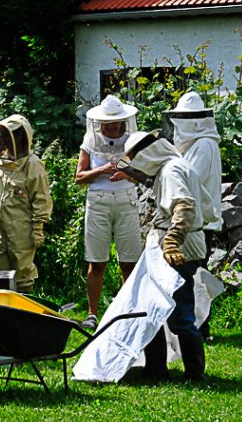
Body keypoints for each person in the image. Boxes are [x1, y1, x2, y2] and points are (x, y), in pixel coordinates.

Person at [113, 130, 214, 381]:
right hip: (182, 247)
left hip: (178, 250)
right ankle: (156, 369)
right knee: (152, 309)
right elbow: (204, 205)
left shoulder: (171, 171)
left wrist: (171, 241)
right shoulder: (177, 166)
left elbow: (185, 206)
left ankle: (194, 375)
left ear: (147, 153)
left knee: (180, 314)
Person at [75, 95, 142, 330]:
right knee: (97, 262)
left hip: (127, 201)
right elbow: (79, 177)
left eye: (116, 124)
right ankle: (92, 314)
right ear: (100, 123)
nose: (113, 128)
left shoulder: (133, 140)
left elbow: (144, 175)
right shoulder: (90, 139)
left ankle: (126, 313)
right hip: (98, 202)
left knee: (129, 262)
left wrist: (127, 174)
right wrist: (102, 169)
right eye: (108, 124)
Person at [165, 92, 222, 343]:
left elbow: (189, 181)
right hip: (194, 220)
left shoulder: (205, 145)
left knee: (195, 277)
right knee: (190, 277)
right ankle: (192, 326)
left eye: (187, 118)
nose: (182, 124)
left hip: (200, 223)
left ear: (198, 120)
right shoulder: (196, 145)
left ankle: (199, 328)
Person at [0, 114, 53, 293]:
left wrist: (38, 227)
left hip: (22, 227)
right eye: (3, 135)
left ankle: (23, 305)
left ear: (21, 137)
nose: (5, 139)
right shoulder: (1, 162)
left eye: (9, 135)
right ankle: (2, 305)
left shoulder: (33, 164)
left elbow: (41, 198)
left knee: (22, 272)